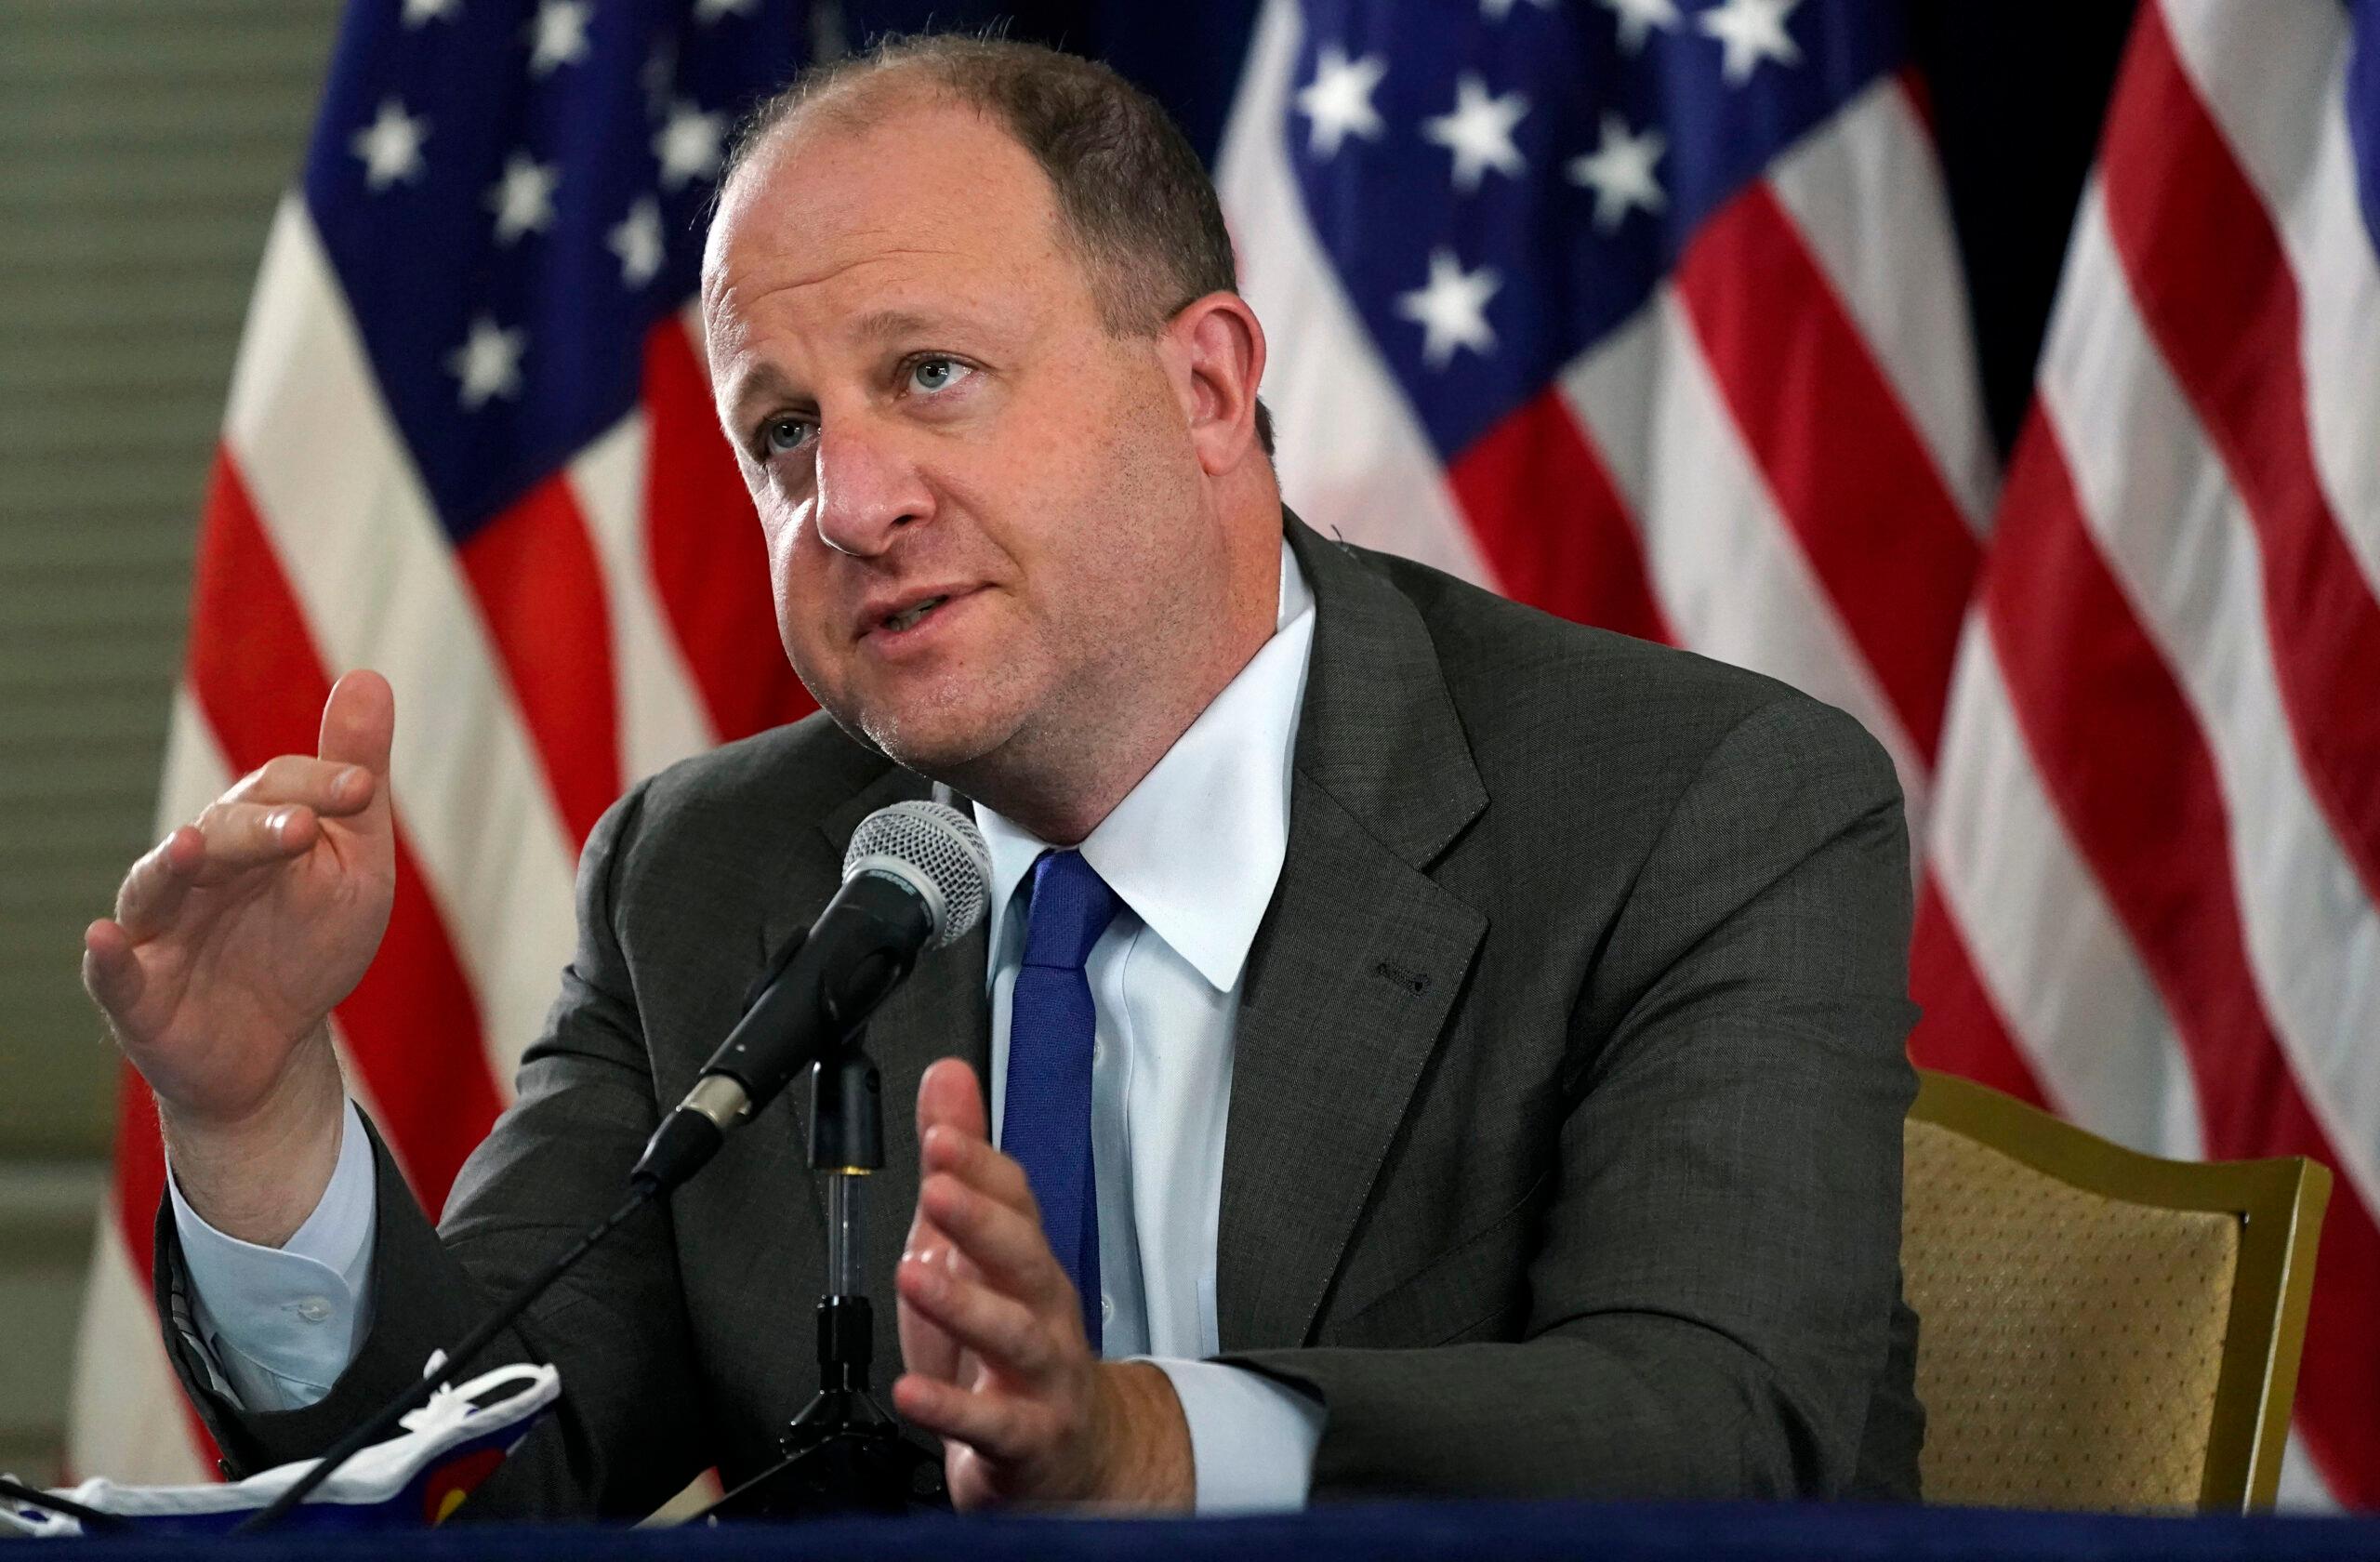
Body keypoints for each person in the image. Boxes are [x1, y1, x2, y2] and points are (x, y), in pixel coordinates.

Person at [84, 35, 1922, 1517]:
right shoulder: (710, 872)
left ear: (1206, 390)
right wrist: (256, 1120)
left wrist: (1146, 1444)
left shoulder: (1696, 809)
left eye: (932, 375)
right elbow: (479, 1484)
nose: (848, 504)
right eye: (781, 433)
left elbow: (1714, 1431)